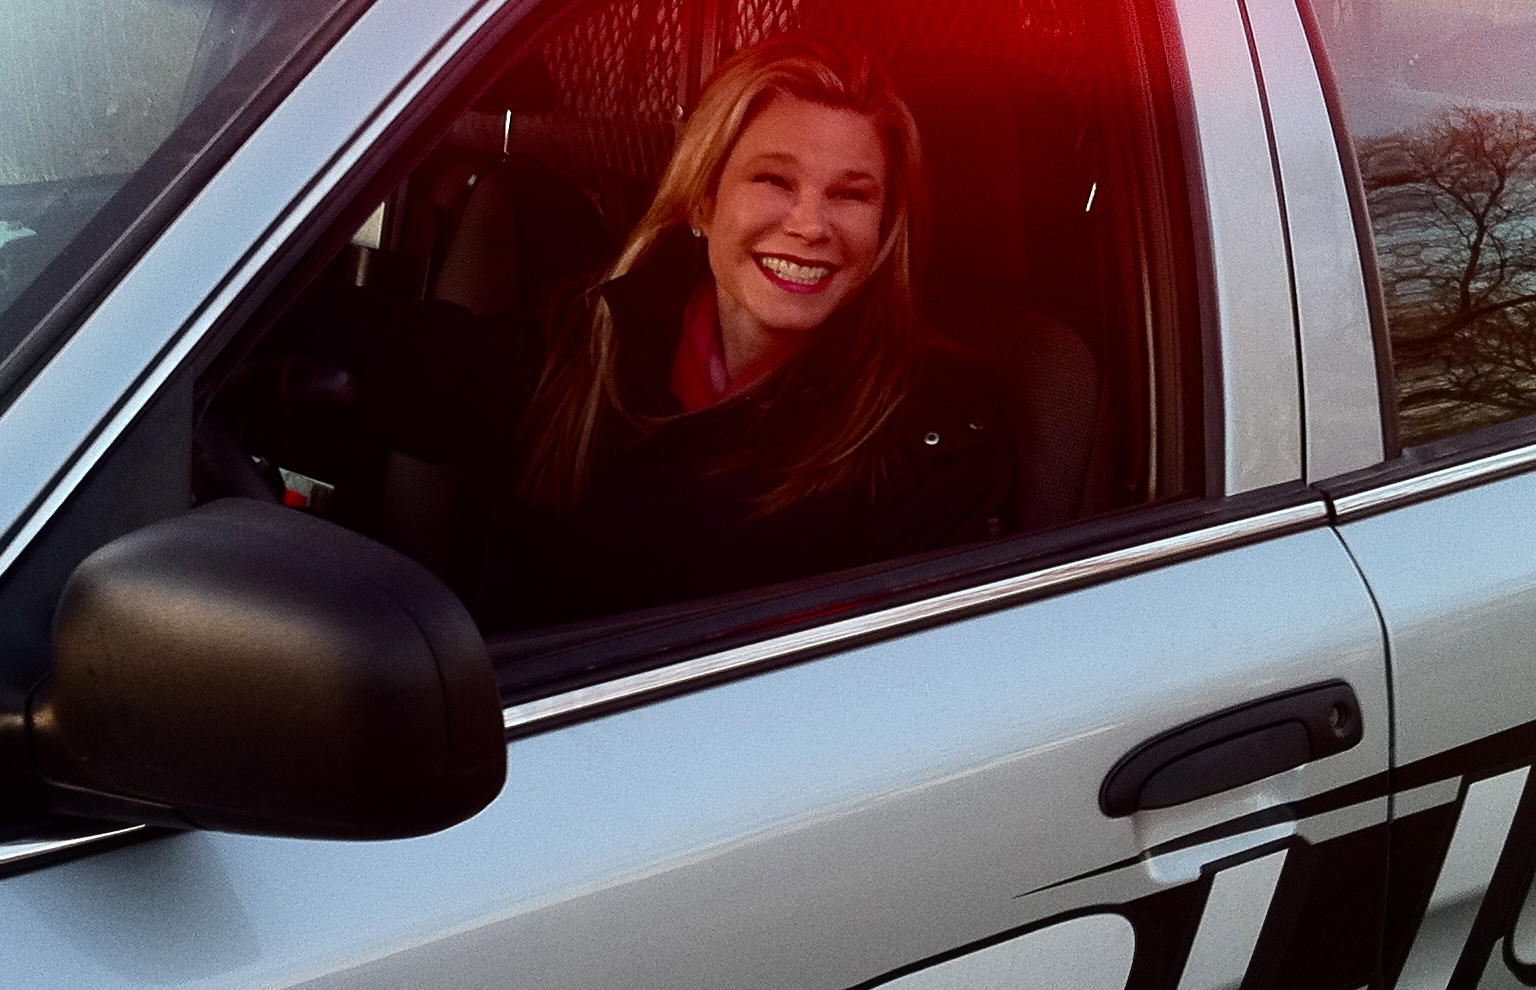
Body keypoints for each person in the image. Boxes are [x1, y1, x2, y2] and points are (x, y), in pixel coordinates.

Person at [283, 37, 1013, 633]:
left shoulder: (928, 437)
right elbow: (417, 367)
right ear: (701, 199)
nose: (810, 226)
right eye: (773, 180)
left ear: (886, 229)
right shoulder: (598, 340)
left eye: (851, 194)